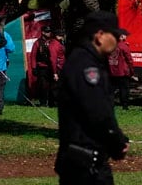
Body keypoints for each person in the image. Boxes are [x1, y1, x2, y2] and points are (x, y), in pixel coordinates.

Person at [55, 10, 129, 185]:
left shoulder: (85, 60)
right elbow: (97, 112)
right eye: (115, 35)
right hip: (85, 162)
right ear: (100, 35)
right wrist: (118, 142)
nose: (118, 41)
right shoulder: (86, 66)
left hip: (82, 160)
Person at [29, 26, 61, 107]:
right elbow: (33, 56)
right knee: (43, 86)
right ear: (43, 32)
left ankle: (53, 103)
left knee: (53, 86)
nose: (49, 33)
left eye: (50, 31)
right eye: (47, 31)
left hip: (52, 67)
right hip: (42, 67)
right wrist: (34, 67)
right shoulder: (37, 43)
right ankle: (43, 102)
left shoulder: (53, 41)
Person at [108, 29, 134, 110]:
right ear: (121, 36)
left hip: (111, 71)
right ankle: (125, 105)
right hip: (122, 72)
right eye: (125, 35)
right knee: (124, 89)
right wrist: (131, 71)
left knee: (111, 90)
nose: (126, 37)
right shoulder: (123, 46)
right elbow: (129, 60)